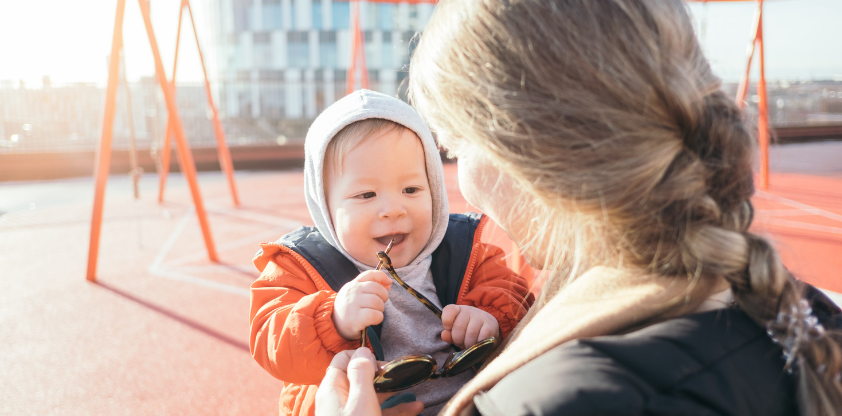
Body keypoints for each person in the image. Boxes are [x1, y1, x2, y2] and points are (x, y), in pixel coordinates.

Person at [315, 0, 842, 415]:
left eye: (456, 149)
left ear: (525, 151)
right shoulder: (808, 314)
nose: (463, 188)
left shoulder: (561, 398)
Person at [249, 89, 534, 416]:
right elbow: (268, 342)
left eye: (411, 189)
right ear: (325, 207)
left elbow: (517, 297)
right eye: (366, 194)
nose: (392, 209)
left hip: (473, 404)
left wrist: (492, 320)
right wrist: (334, 320)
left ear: (435, 191)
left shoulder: (465, 248)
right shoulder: (300, 266)